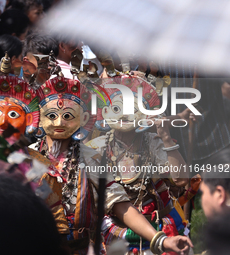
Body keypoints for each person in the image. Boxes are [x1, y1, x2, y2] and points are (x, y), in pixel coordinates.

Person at [30, 76, 193, 254]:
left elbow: (179, 180)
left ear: (82, 118)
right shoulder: (96, 147)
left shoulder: (90, 156)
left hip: (144, 226)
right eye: (51, 115)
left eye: (68, 115)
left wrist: (160, 240)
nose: (59, 122)